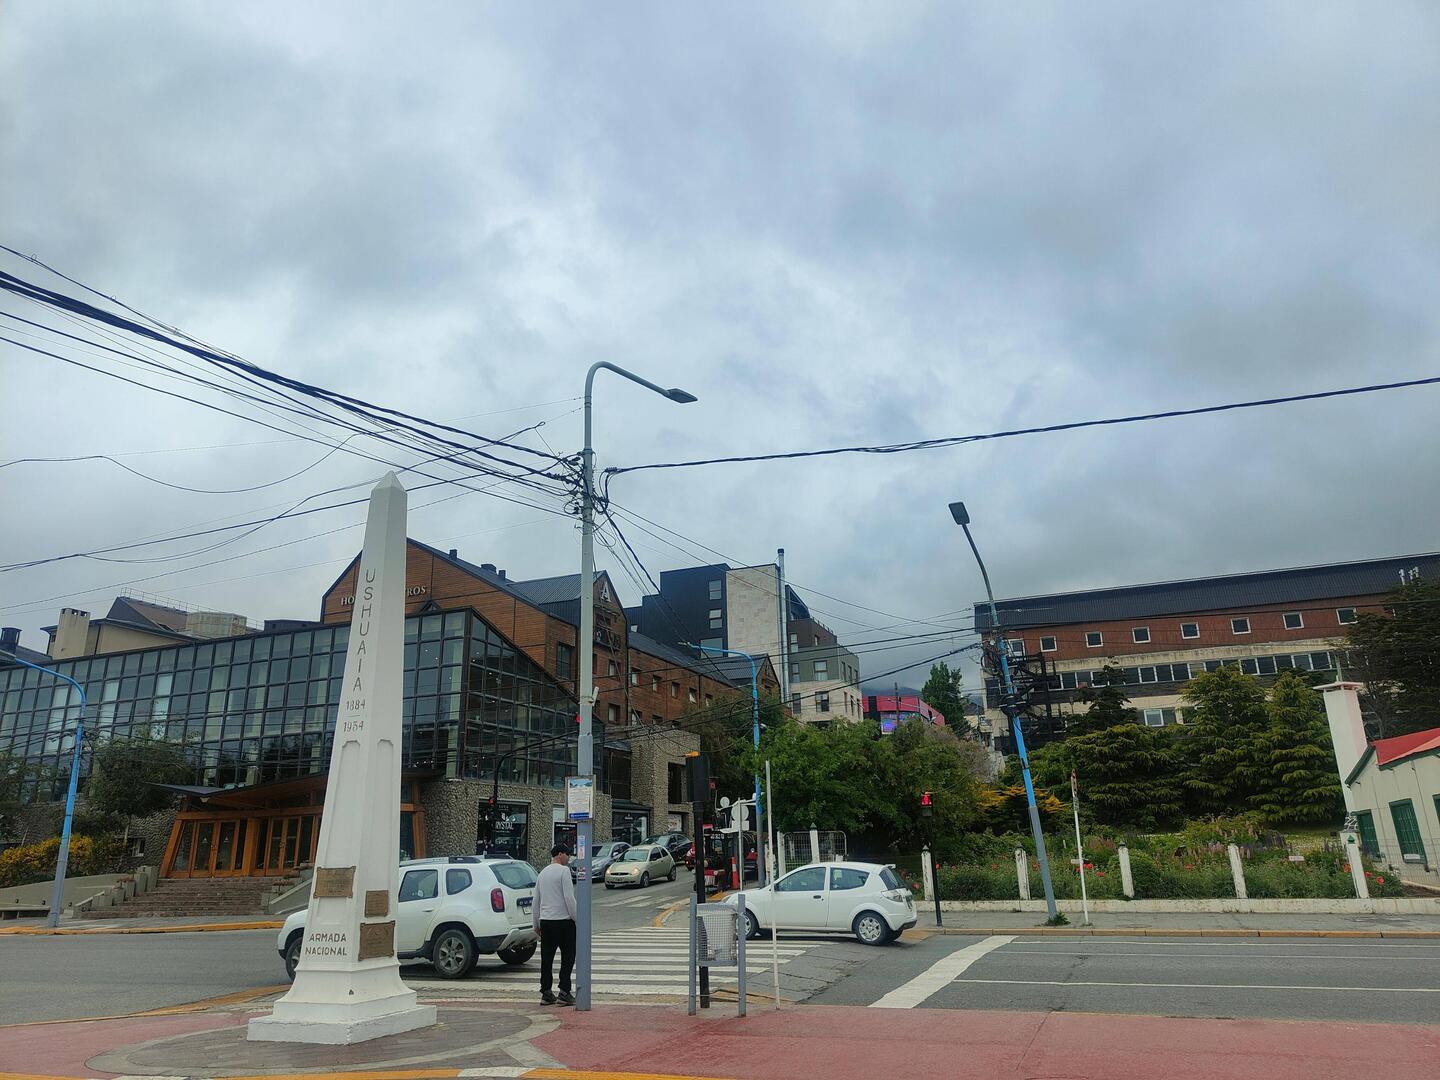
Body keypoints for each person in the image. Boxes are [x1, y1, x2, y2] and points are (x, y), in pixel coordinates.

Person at [532, 842, 578, 1005]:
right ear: (560, 854)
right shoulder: (564, 871)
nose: (569, 858)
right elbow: (569, 898)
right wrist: (577, 918)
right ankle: (564, 991)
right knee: (568, 956)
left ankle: (546, 992)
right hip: (564, 921)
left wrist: (536, 923)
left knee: (546, 959)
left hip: (546, 922)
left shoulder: (542, 873)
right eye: (567, 854)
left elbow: (536, 900)